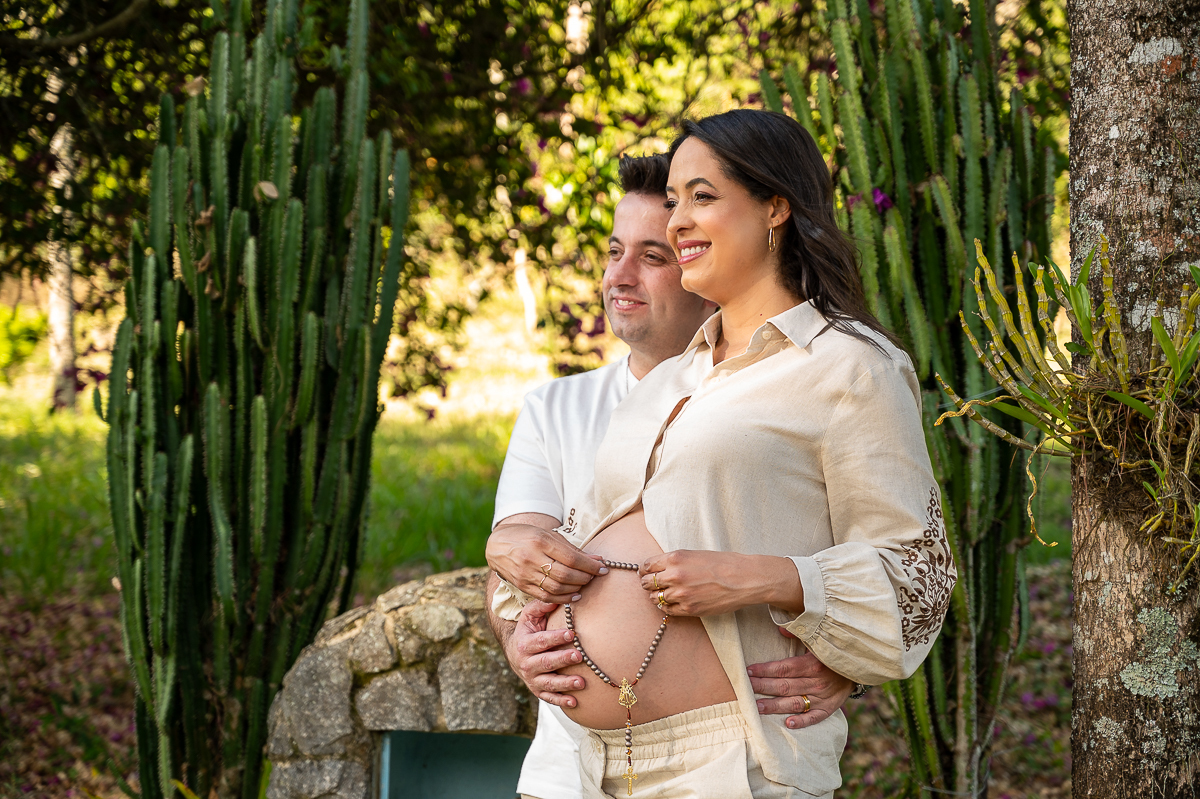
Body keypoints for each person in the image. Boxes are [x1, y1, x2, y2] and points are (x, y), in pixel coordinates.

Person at [491, 110, 955, 798]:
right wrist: (522, 613)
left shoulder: (852, 366)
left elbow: (918, 573)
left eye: (701, 197)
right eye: (674, 199)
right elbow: (580, 531)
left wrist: (761, 578)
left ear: (775, 207)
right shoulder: (675, 377)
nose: (677, 220)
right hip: (586, 765)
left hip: (729, 765)